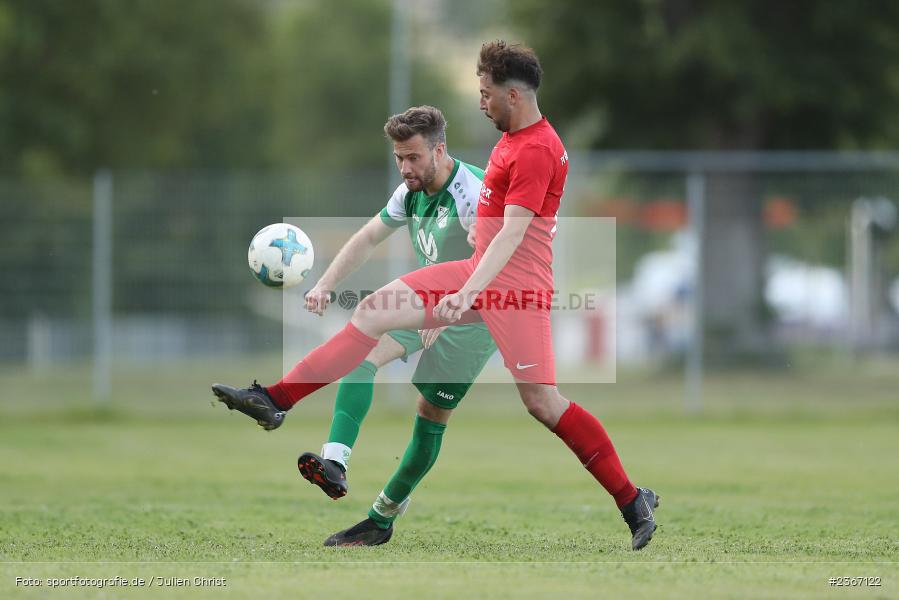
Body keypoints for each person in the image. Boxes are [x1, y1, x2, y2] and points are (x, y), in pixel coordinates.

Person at [213, 41, 659, 550]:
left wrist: (465, 293)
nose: (481, 102)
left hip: (513, 291)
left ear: (513, 94)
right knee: (372, 315)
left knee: (542, 403)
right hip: (483, 276)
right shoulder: (514, 140)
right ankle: (275, 400)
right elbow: (489, 229)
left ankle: (631, 499)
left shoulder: (534, 148)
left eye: (486, 93)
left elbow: (513, 235)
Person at [216, 104, 497, 529]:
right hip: (430, 303)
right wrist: (325, 283)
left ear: (440, 150)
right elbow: (368, 237)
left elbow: (497, 262)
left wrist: (450, 313)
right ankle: (331, 460)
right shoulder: (411, 191)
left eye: (413, 157)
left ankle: (383, 513)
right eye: (399, 158)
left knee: (429, 417)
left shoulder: (473, 194)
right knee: (361, 350)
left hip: (474, 317)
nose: (405, 167)